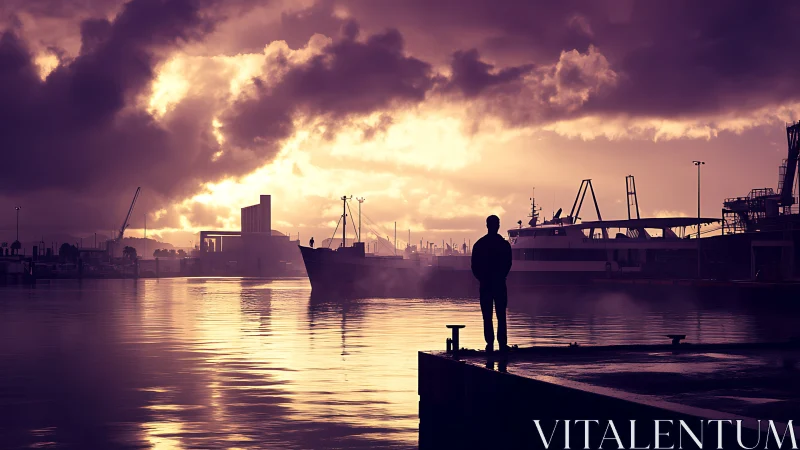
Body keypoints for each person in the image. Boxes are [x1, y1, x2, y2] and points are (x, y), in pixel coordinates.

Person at [470, 215, 512, 353]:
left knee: (487, 316)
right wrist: (500, 276)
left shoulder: (479, 245)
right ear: (497, 225)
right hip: (500, 284)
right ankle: (502, 344)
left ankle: (489, 344)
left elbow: (474, 266)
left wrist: (483, 279)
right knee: (501, 315)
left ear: (487, 225)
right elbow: (508, 264)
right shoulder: (504, 245)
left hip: (486, 285)